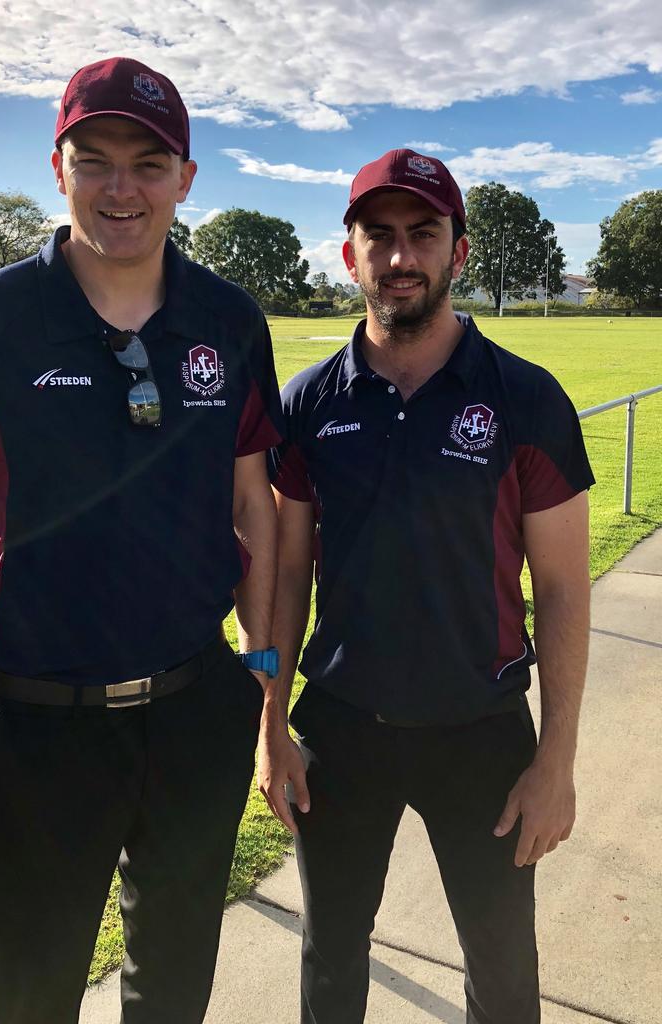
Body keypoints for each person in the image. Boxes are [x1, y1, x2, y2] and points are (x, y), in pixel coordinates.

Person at [0, 57, 283, 1024]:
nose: (122, 188)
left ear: (186, 178)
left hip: (195, 715)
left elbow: (254, 509)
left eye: (149, 164)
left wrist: (261, 664)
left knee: (175, 986)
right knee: (33, 996)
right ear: (55, 166)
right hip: (35, 727)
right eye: (95, 159)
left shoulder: (230, 321)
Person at [258, 148, 594, 1023]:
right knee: (329, 960)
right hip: (339, 727)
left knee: (503, 971)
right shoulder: (308, 402)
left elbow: (562, 587)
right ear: (350, 255)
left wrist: (555, 758)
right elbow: (286, 573)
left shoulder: (525, 398)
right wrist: (270, 726)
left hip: (480, 731)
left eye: (423, 234)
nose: (400, 256)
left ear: (459, 252)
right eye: (380, 236)